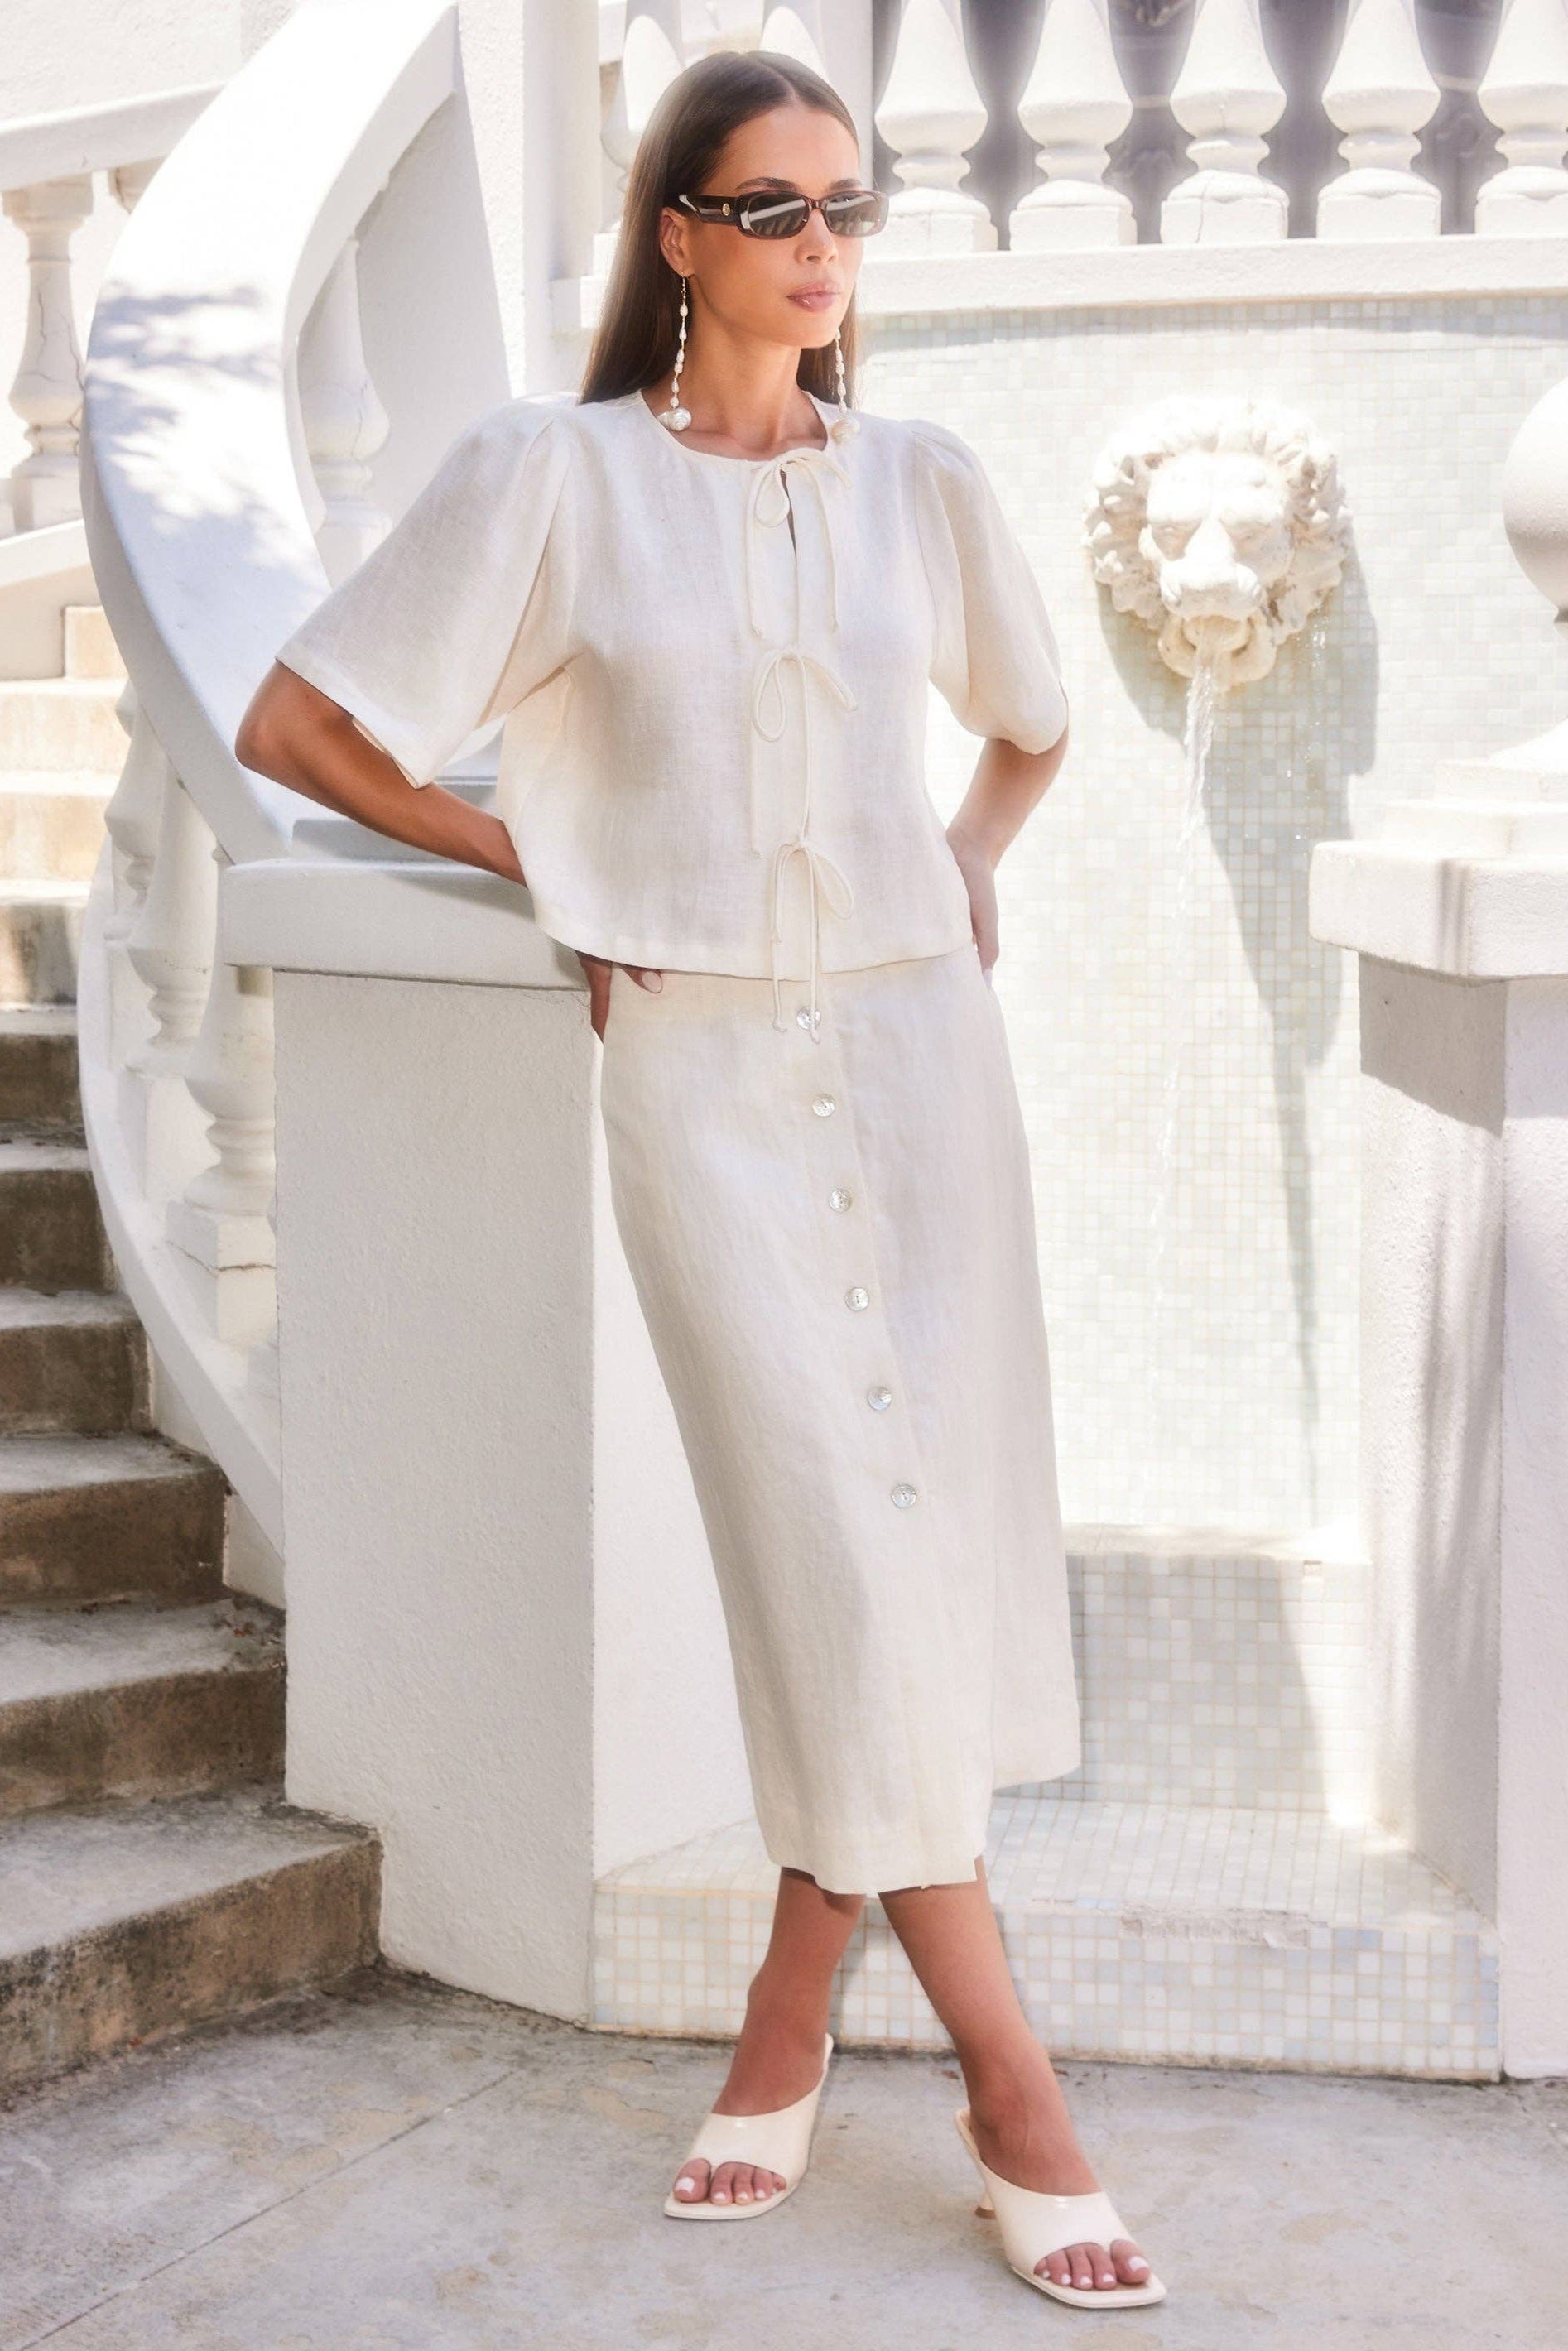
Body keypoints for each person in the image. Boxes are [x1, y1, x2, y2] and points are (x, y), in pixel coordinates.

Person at [234, 46, 1162, 2312]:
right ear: (678, 236)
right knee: (830, 1551)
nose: (822, 244)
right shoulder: (547, 478)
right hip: (708, 1083)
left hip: (922, 1067)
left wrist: (959, 865)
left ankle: (786, 2017)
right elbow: (301, 721)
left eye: (848, 203)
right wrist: (538, 861)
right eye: (772, 207)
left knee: (909, 1563)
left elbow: (1037, 721)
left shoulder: (921, 480)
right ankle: (1013, 2083)